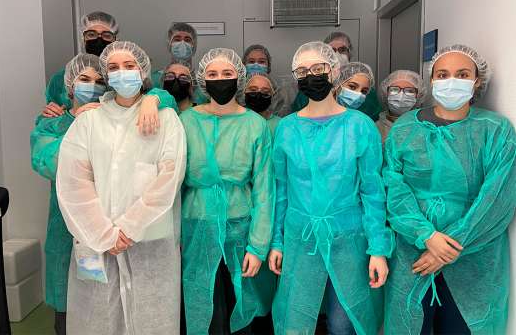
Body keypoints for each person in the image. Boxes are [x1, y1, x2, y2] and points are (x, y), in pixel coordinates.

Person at [383, 44, 516, 334]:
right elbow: (393, 186)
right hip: (413, 251)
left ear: (477, 81)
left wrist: (447, 247)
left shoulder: (496, 130)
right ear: (431, 81)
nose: (451, 81)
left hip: (474, 254)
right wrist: (426, 235)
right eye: (442, 74)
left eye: (462, 74)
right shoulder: (405, 128)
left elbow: (497, 198)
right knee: (409, 325)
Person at [56, 41, 187, 335]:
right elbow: (74, 182)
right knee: (98, 321)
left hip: (149, 244)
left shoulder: (166, 120)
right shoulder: (89, 121)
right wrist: (104, 234)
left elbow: (169, 179)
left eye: (130, 66)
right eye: (113, 68)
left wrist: (128, 228)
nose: (122, 73)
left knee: (151, 320)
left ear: (143, 72)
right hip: (97, 243)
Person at [270, 41, 394, 335]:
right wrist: (276, 241)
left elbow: (373, 192)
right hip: (301, 238)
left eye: (318, 68)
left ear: (334, 71)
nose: (310, 75)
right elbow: (281, 190)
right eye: (302, 71)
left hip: (349, 239)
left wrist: (377, 249)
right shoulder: (287, 129)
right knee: (297, 321)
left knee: (343, 322)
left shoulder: (360, 126)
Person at [180, 48, 274, 334]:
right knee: (202, 309)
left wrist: (257, 246)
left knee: (240, 308)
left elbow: (263, 190)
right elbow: (172, 183)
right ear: (202, 80)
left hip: (239, 230)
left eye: (227, 73)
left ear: (240, 78)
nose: (220, 79)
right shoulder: (185, 121)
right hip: (196, 228)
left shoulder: (255, 125)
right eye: (212, 74)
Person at [30, 53, 105, 335]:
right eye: (85, 80)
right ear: (70, 86)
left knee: (100, 301)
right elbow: (47, 163)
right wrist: (77, 124)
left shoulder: (112, 122)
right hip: (66, 230)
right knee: (69, 310)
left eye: (99, 81)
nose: (92, 87)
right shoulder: (52, 123)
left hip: (102, 229)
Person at [42, 11, 118, 118]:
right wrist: (51, 113)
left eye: (106, 35)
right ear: (83, 38)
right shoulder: (60, 80)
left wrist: (150, 99)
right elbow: (53, 122)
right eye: (91, 34)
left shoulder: (124, 75)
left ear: (115, 40)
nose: (99, 39)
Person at [377, 70, 426, 143]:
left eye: (409, 91)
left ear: (418, 96)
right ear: (385, 93)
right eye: (394, 89)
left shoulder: (426, 128)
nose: (401, 96)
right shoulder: (374, 128)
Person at [244, 72, 281, 136]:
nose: (258, 94)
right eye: (253, 90)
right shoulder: (235, 122)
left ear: (273, 96)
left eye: (265, 92)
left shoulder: (280, 124)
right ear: (243, 92)